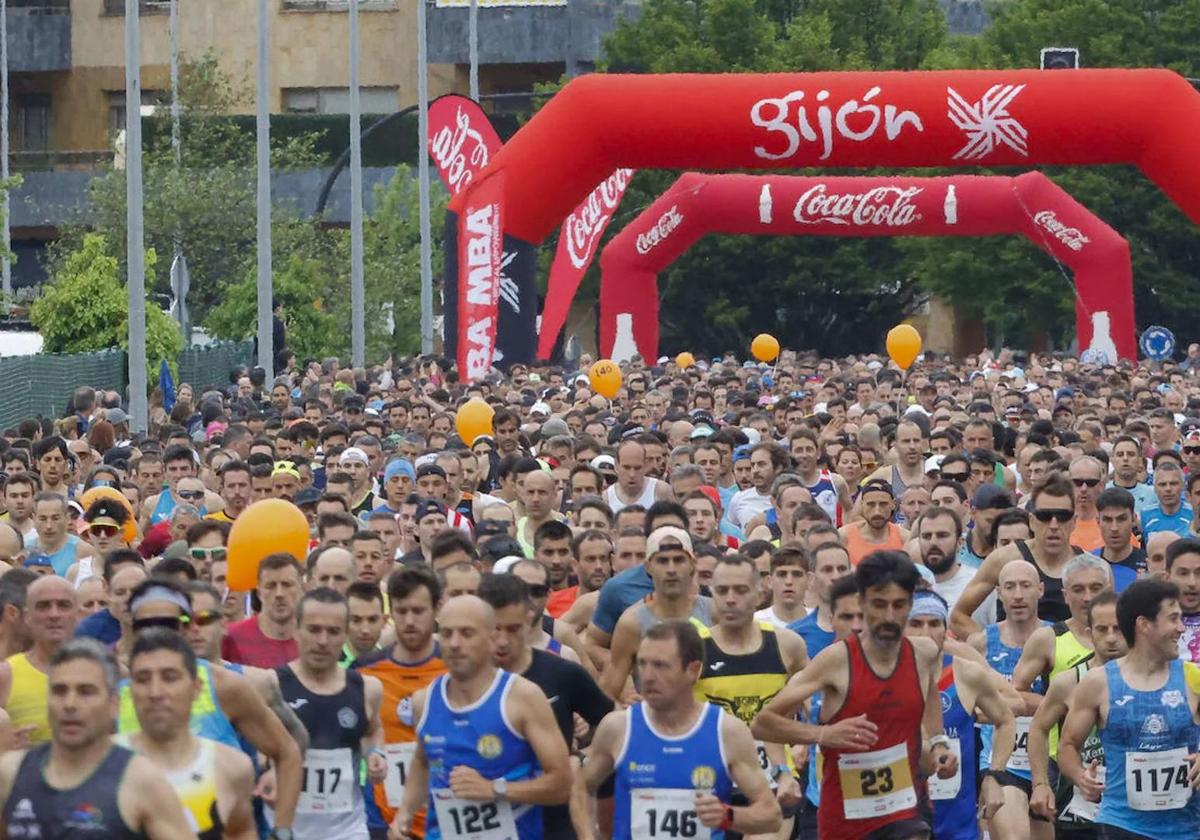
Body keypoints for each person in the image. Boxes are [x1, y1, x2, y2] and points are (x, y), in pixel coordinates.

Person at [750, 550, 956, 840]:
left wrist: (938, 743)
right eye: (879, 605)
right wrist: (823, 735)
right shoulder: (835, 661)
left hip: (905, 809)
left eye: (898, 605)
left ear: (910, 604)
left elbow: (930, 694)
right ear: (862, 603)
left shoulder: (922, 653)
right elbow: (763, 723)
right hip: (845, 819)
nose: (889, 616)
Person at [577, 620, 783, 840]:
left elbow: (771, 816)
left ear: (692, 670)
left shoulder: (726, 731)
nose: (647, 676)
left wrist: (728, 816)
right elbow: (579, 789)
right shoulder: (618, 728)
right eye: (642, 664)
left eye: (660, 665)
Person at [388, 595, 572, 840]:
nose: (454, 643)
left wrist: (494, 789)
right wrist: (405, 814)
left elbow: (561, 785)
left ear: (491, 638)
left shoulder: (522, 696)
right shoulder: (424, 701)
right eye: (447, 633)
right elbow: (422, 762)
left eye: (466, 633)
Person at [0, 638, 195, 838]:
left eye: (86, 692)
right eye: (60, 691)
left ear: (114, 704)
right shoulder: (11, 772)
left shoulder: (141, 781)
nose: (70, 704)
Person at [1059, 579, 1200, 840]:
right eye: (1173, 619)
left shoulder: (1194, 678)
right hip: (1122, 825)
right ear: (1144, 625)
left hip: (1188, 828)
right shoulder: (1098, 683)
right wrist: (1081, 777)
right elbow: (1067, 744)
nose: (1181, 628)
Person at [478, 572, 614, 839]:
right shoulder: (458, 682)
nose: (503, 641)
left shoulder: (563, 673)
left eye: (513, 628)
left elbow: (616, 727)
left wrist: (585, 759)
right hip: (483, 825)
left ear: (530, 616)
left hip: (553, 825)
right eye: (494, 628)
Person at [694, 555, 808, 840]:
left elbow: (815, 705)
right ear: (711, 594)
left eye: (741, 590)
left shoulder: (787, 644)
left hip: (774, 783)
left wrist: (803, 743)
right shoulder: (693, 649)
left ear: (759, 593)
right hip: (710, 787)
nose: (731, 599)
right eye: (722, 591)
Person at [123, 628, 257, 839]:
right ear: (130, 690)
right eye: (143, 679)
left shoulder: (232, 767)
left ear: (196, 688)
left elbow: (241, 831)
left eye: (170, 677)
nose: (155, 692)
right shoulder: (101, 764)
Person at [904, 590, 1013, 840]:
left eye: (934, 624)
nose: (925, 633)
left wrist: (995, 776)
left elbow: (1006, 718)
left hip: (956, 822)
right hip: (901, 815)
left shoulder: (965, 673)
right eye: (916, 624)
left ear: (946, 630)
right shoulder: (884, 676)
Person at [281, 586, 386, 840]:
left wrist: (375, 753)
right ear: (296, 630)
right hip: (289, 828)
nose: (322, 641)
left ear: (345, 634)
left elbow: (374, 729)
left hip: (348, 829)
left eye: (333, 631)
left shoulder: (366, 689)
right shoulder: (273, 686)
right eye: (314, 629)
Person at [355, 566, 447, 838]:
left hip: (445, 810)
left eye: (418, 611)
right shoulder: (364, 671)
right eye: (401, 611)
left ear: (437, 609)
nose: (409, 621)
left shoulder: (456, 667)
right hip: (380, 813)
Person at [1027, 591, 1127, 839]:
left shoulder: (1152, 679)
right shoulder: (1069, 682)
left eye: (1118, 628)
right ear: (1089, 633)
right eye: (1102, 630)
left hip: (1135, 813)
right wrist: (1040, 784)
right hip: (1079, 810)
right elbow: (1038, 728)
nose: (1111, 638)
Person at [951, 474, 1080, 638]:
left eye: (1062, 516)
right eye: (1045, 516)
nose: (1053, 525)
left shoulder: (1088, 567)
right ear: (1032, 521)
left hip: (1068, 661)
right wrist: (993, 648)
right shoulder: (1004, 558)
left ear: (1074, 521)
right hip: (1013, 661)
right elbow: (958, 617)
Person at [600, 526, 713, 699]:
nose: (671, 569)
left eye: (678, 560)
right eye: (662, 561)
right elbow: (608, 694)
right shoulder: (632, 623)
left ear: (692, 564)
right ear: (648, 567)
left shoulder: (715, 612)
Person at [0, 575, 77, 746]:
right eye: (43, 606)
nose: (54, 614)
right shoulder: (6, 675)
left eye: (63, 605)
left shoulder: (104, 670)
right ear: (27, 616)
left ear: (77, 614)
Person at [223, 552, 303, 668]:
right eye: (270, 586)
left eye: (287, 585)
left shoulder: (315, 638)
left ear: (301, 587)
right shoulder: (231, 637)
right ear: (259, 592)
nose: (279, 594)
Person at [787, 542, 852, 658]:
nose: (836, 577)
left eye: (842, 569)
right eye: (827, 570)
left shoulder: (869, 630)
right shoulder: (795, 634)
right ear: (811, 579)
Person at [840, 481, 908, 565]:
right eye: (870, 504)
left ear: (893, 505)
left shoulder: (905, 538)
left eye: (883, 504)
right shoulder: (843, 537)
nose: (877, 512)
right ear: (862, 505)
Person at [754, 544, 808, 627]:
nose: (789, 581)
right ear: (770, 581)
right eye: (781, 574)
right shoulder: (755, 623)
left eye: (797, 574)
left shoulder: (822, 622)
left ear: (809, 580)